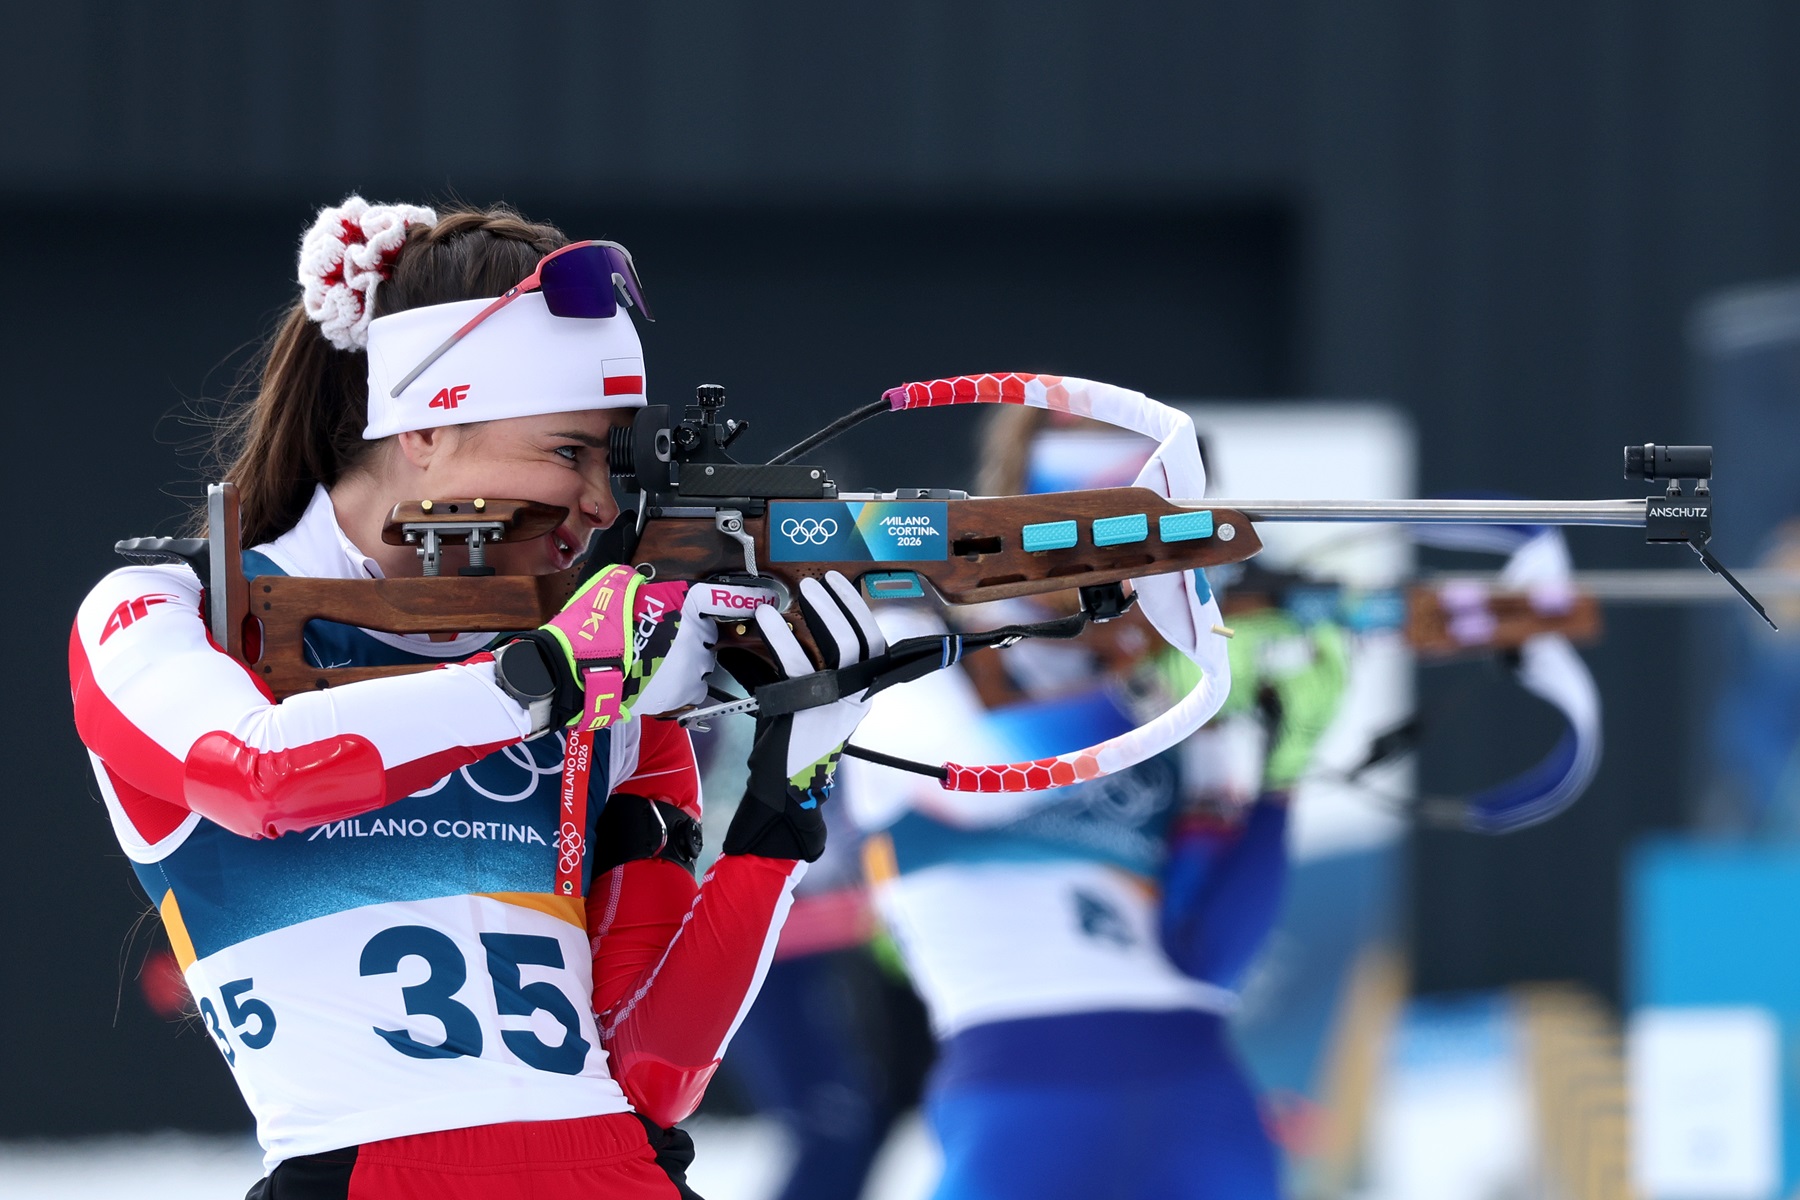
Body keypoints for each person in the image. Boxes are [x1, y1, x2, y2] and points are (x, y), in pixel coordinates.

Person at [68, 197, 884, 1200]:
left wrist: (786, 799)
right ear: (427, 428)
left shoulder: (603, 680)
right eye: (568, 451)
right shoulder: (169, 614)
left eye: (610, 458)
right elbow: (258, 772)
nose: (601, 502)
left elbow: (648, 1071)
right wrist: (543, 676)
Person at [841, 406, 1350, 1200]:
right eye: (1088, 495)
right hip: (1019, 1111)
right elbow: (977, 780)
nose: (1118, 544)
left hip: (1201, 1105)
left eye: (1148, 511)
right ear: (1023, 500)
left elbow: (1209, 953)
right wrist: (1160, 694)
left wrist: (1280, 773)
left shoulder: (1172, 687)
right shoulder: (911, 638)